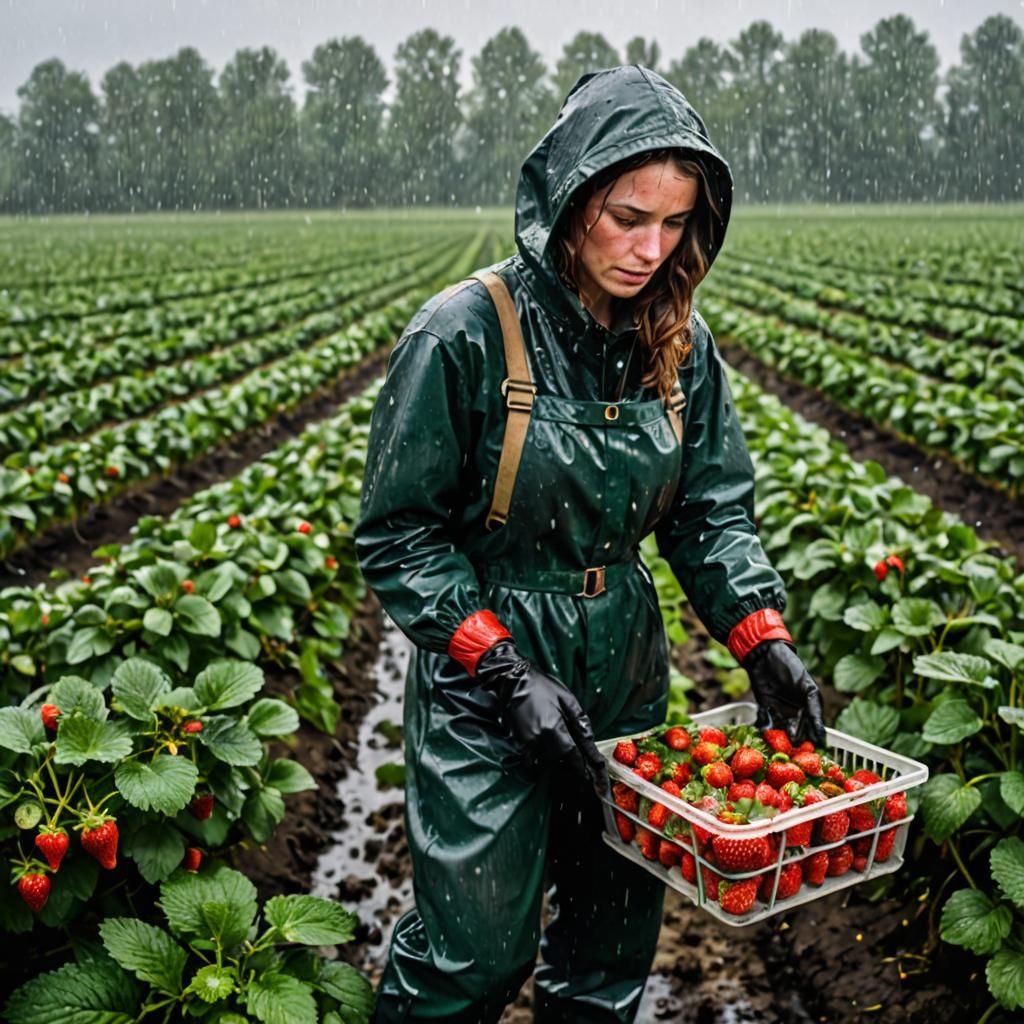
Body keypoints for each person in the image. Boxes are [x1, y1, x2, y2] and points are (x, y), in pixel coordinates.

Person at [354, 65, 826, 1024]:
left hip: (623, 656)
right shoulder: (465, 335)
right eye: (626, 216)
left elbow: (708, 513)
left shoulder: (681, 348)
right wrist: (500, 667)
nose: (651, 249)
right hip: (489, 666)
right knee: (472, 958)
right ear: (570, 200)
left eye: (675, 224)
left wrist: (758, 634)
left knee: (607, 952)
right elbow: (401, 536)